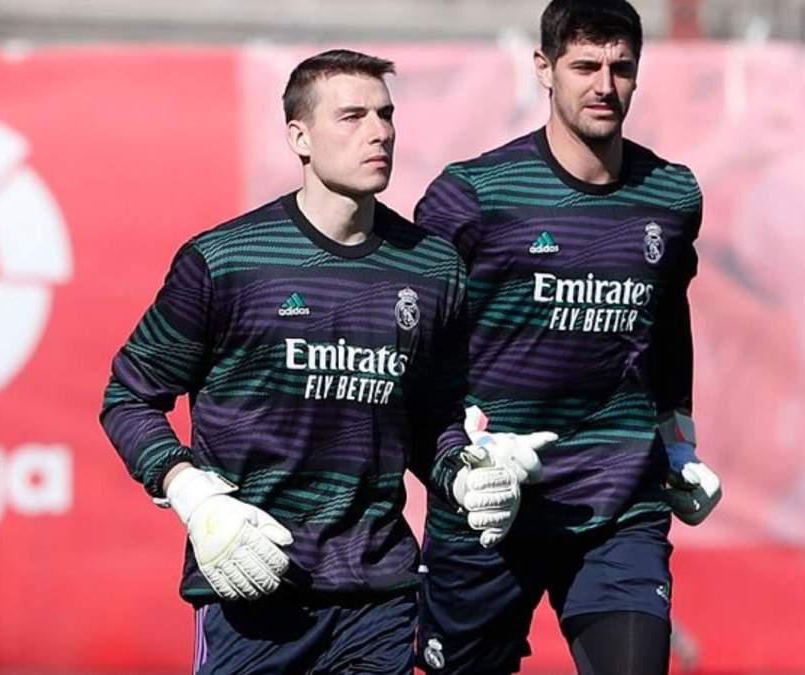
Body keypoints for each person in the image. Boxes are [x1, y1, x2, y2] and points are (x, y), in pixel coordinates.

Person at [99, 49, 553, 674]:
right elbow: (129, 397)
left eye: (385, 114)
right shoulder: (226, 261)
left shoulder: (433, 268)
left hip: (379, 593)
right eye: (352, 116)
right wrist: (192, 496)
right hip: (251, 586)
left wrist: (464, 475)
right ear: (300, 137)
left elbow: (435, 422)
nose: (379, 132)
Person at [414, 1, 722, 673]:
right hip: (492, 503)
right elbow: (413, 348)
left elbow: (668, 323)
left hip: (617, 502)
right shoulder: (472, 195)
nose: (604, 86)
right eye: (585, 66)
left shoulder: (671, 195)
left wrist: (679, 440)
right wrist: (457, 458)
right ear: (544, 68)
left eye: (621, 68)